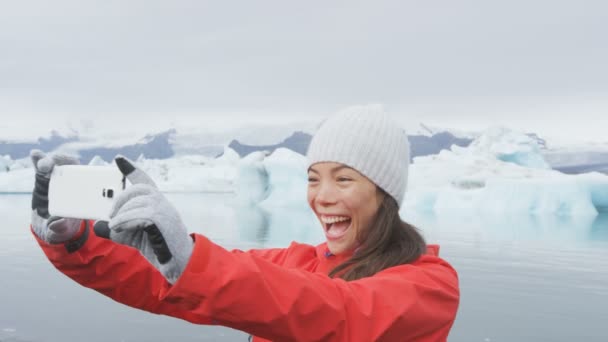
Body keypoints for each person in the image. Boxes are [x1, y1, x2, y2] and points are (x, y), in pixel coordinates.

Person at [30, 106, 460, 341]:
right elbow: (165, 286)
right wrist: (76, 241)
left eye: (343, 179)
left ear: (385, 194)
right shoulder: (298, 264)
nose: (322, 195)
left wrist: (196, 262)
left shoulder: (429, 287)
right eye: (313, 178)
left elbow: (340, 314)